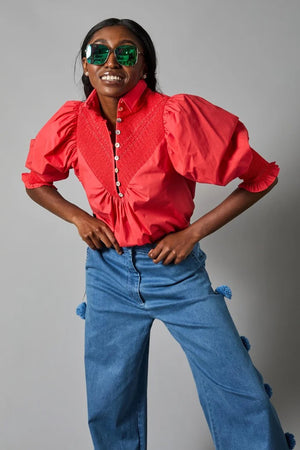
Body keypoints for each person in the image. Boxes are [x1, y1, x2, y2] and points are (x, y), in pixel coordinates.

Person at [22, 17, 295, 450]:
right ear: (86, 65)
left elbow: (261, 177)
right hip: (107, 276)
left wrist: (191, 234)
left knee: (237, 389)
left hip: (176, 274)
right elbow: (36, 180)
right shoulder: (73, 122)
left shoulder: (175, 115)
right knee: (109, 404)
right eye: (99, 51)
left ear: (144, 65)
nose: (112, 60)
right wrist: (79, 218)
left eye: (126, 52)